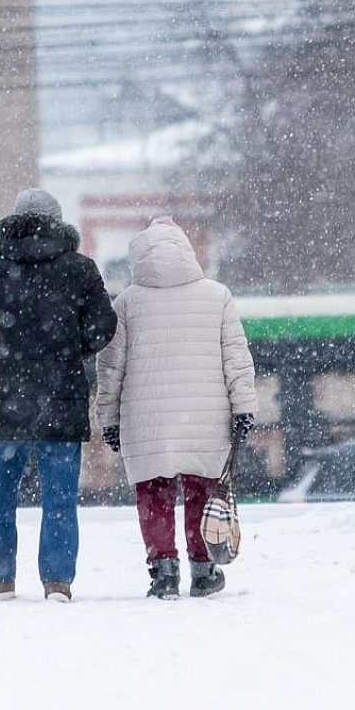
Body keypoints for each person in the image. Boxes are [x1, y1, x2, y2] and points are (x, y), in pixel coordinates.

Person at [0, 188, 116, 602]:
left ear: (12, 222)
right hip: (61, 397)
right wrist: (68, 351)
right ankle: (57, 580)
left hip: (5, 398)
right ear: (58, 224)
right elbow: (103, 328)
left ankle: (0, 574)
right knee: (59, 493)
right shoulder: (80, 270)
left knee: (0, 489)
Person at [96, 217, 257, 599]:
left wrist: (109, 419)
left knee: (153, 494)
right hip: (206, 419)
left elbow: (110, 367)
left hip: (146, 420)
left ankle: (164, 571)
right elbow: (236, 357)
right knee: (202, 490)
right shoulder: (217, 296)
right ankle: (203, 570)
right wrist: (243, 408)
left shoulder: (126, 304)